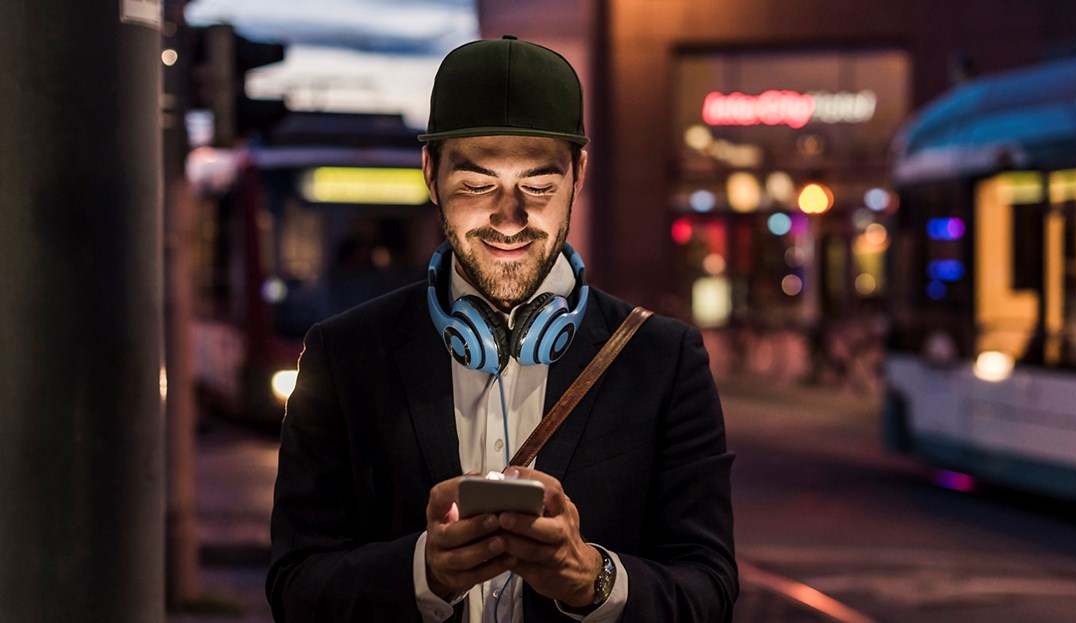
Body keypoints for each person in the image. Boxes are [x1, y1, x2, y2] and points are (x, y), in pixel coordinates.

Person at [266, 35, 738, 622]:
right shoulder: (343, 356)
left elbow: (710, 594)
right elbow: (294, 588)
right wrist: (425, 573)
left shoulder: (665, 361)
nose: (509, 218)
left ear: (579, 174)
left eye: (538, 186)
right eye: (477, 185)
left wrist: (593, 580)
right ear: (430, 172)